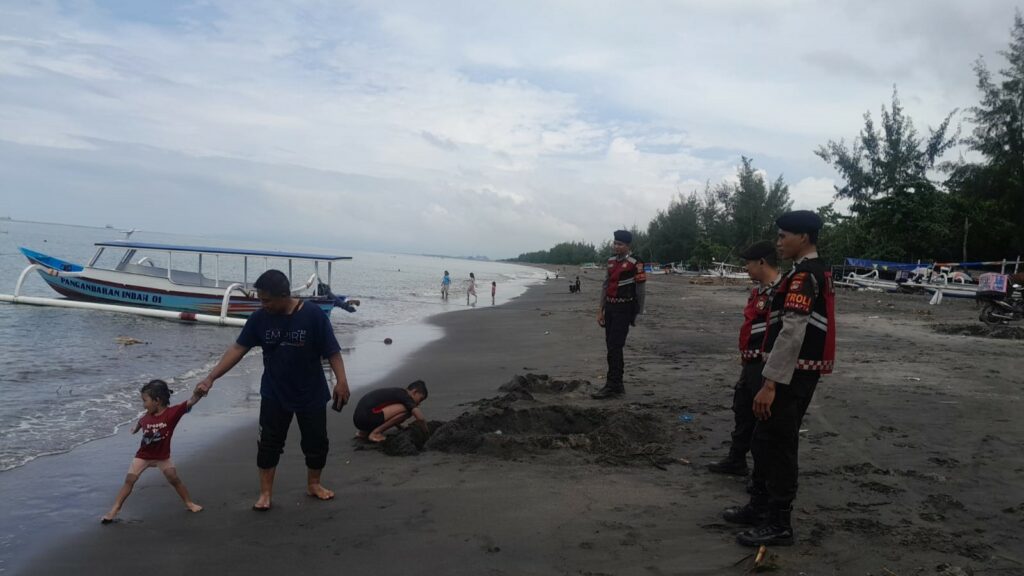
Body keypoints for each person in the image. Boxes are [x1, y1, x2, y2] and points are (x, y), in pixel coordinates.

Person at [194, 269, 351, 511]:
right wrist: (210, 378)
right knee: (268, 444)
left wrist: (341, 381)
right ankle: (265, 494)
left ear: (284, 295)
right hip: (274, 393)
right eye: (260, 299)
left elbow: (332, 351)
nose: (262, 304)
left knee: (316, 443)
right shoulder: (260, 318)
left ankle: (314, 484)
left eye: (266, 300)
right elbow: (238, 349)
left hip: (311, 392)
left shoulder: (313, 315)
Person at [724, 210, 836, 547]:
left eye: (783, 236)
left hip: (793, 374)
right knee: (763, 439)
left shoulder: (804, 277)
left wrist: (770, 383)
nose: (779, 242)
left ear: (803, 238)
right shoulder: (808, 273)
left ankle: (779, 522)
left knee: (779, 445)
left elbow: (792, 332)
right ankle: (760, 507)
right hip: (794, 371)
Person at [707, 241, 783, 476]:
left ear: (762, 262)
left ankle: (764, 475)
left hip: (765, 364)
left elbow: (782, 334)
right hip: (750, 362)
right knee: (743, 411)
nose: (746, 269)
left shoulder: (781, 292)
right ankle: (737, 459)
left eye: (749, 264)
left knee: (763, 420)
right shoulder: (759, 291)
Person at [102, 380, 203, 523]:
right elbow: (140, 421)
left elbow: (190, 402)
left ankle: (189, 503)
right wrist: (135, 429)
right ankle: (115, 509)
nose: (144, 405)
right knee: (130, 480)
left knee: (173, 478)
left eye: (145, 401)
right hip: (143, 456)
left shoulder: (171, 414)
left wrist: (197, 394)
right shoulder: (147, 416)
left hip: (162, 457)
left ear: (157, 400)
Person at [592, 229, 646, 399]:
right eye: (615, 243)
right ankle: (617, 384)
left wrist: (637, 313)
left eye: (620, 244)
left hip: (625, 309)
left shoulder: (635, 263)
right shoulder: (610, 262)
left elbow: (641, 290)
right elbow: (605, 286)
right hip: (610, 308)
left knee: (615, 347)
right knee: (611, 346)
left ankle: (612, 384)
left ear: (628, 246)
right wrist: (600, 309)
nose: (616, 246)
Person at [353, 380, 429, 442]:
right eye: (420, 399)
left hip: (358, 419)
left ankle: (363, 433)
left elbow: (390, 411)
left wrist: (399, 426)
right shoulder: (406, 396)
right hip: (368, 417)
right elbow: (420, 418)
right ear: (414, 392)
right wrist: (426, 432)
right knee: (408, 411)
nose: (419, 403)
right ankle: (375, 434)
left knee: (405, 407)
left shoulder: (398, 393)